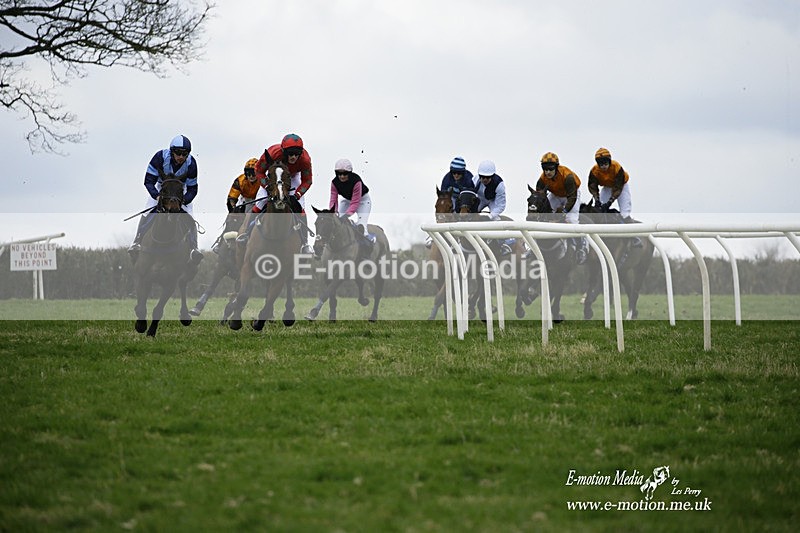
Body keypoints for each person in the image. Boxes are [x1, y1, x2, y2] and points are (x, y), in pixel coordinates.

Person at [128, 134, 202, 265]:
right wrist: (156, 195)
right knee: (147, 212)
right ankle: (137, 241)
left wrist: (184, 200)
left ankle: (193, 248)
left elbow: (192, 188)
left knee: (190, 217)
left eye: (184, 154)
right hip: (162, 189)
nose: (181, 157)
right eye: (178, 153)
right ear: (172, 151)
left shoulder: (191, 163)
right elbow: (149, 181)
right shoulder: (160, 157)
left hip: (180, 191)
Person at [239, 133, 315, 254]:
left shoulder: (305, 160)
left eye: (296, 154)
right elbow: (259, 171)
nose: (294, 157)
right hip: (272, 177)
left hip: (292, 177)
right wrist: (268, 186)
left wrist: (297, 195)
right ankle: (246, 234)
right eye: (290, 153)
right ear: (283, 151)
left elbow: (307, 180)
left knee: (299, 206)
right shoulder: (272, 153)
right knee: (261, 202)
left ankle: (305, 244)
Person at [534, 152, 587, 264]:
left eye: (550, 169)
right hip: (556, 195)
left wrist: (564, 211)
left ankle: (580, 245)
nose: (547, 172)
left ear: (556, 167)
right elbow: (539, 196)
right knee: (543, 217)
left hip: (571, 195)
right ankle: (533, 247)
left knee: (571, 219)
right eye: (545, 169)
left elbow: (572, 197)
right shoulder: (542, 179)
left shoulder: (568, 176)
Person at [588, 147, 642, 247]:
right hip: (607, 187)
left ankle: (635, 236)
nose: (603, 166)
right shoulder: (594, 171)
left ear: (609, 161)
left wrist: (609, 202)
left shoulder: (617, 167)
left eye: (605, 163)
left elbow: (617, 188)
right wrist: (597, 199)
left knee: (625, 213)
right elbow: (592, 186)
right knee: (599, 210)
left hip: (621, 186)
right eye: (601, 164)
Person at [329, 158, 376, 245]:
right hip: (346, 201)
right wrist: (333, 212)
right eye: (339, 173)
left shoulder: (356, 181)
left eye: (345, 173)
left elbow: (355, 202)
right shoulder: (334, 183)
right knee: (338, 222)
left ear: (349, 173)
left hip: (363, 201)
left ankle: (369, 241)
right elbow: (333, 200)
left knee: (361, 227)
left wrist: (347, 215)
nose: (342, 176)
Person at [474, 160, 516, 256]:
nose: (484, 179)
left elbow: (501, 205)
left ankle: (503, 243)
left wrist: (490, 216)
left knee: (495, 219)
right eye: (482, 177)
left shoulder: (499, 185)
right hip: (480, 199)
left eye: (487, 177)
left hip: (493, 201)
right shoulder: (475, 180)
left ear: (492, 176)